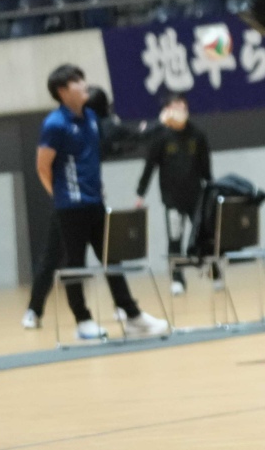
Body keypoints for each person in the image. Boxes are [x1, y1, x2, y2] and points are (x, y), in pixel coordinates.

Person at [25, 64, 168, 341]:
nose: (84, 85)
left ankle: (132, 315)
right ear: (62, 91)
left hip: (95, 202)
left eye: (83, 80)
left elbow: (116, 140)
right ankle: (83, 320)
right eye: (77, 81)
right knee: (75, 265)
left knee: (112, 259)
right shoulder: (54, 124)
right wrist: (60, 196)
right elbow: (42, 166)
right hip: (70, 206)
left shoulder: (91, 118)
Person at [132, 94, 212, 293]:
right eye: (175, 108)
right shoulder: (161, 137)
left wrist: (211, 189)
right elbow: (150, 166)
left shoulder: (197, 135)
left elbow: (206, 168)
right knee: (175, 239)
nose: (180, 111)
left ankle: (215, 273)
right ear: (166, 111)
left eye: (183, 107)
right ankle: (177, 279)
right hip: (172, 199)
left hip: (196, 197)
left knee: (205, 236)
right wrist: (141, 193)